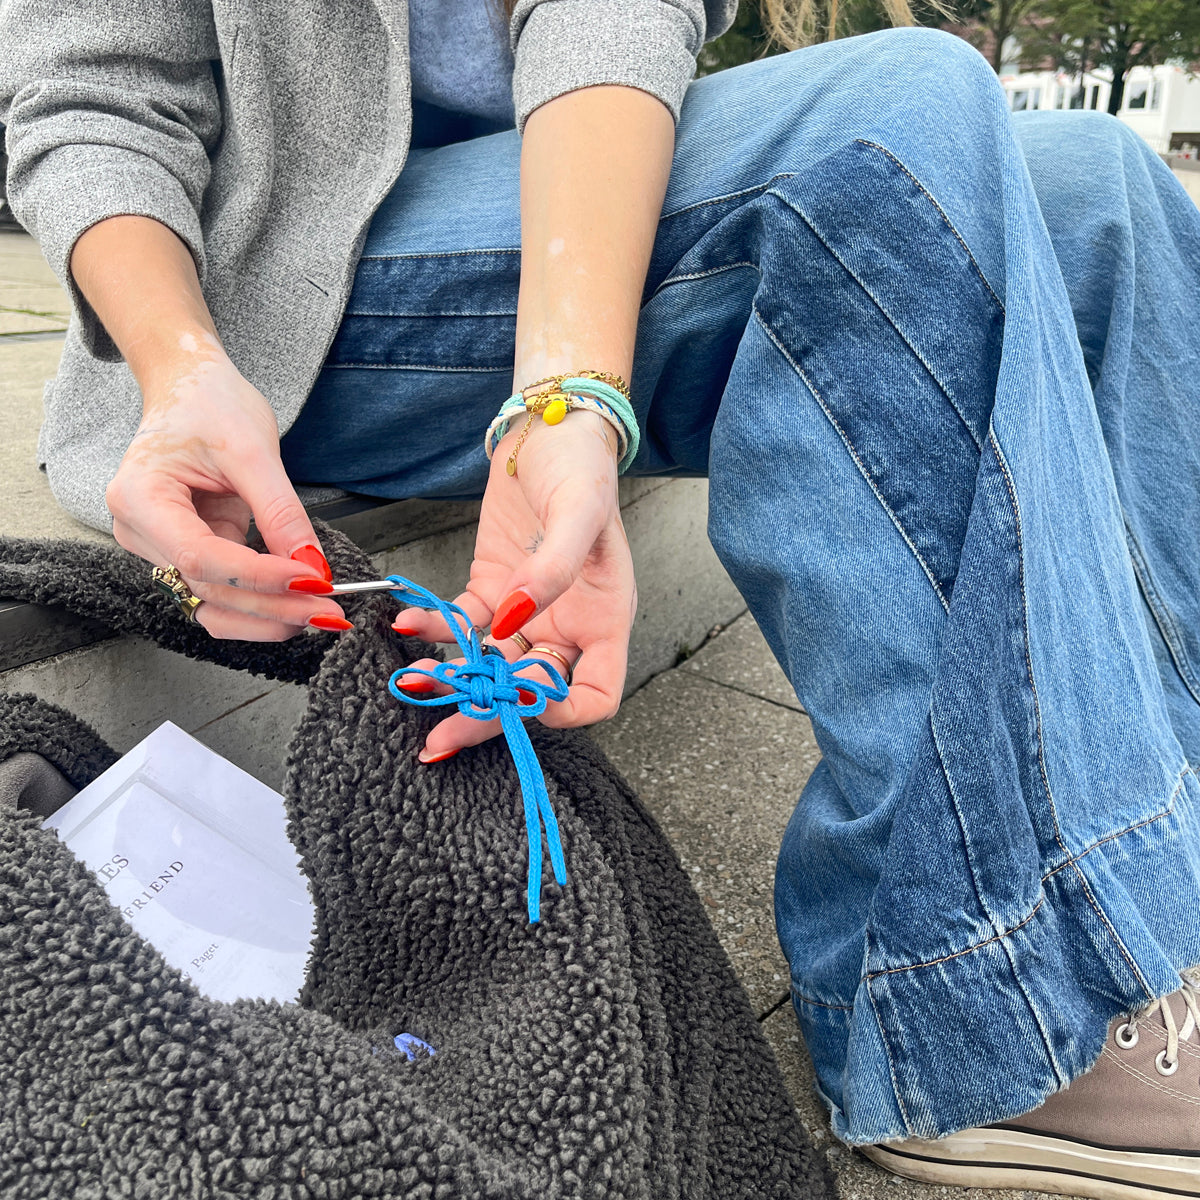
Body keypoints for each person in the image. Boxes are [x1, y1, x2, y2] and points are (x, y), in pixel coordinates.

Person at [3, 1, 1199, 1194]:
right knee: (896, 119)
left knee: (1095, 185)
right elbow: (90, 94)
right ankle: (991, 998)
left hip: (584, 197)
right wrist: (178, 365)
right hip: (270, 288)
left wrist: (566, 396)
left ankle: (1153, 872)